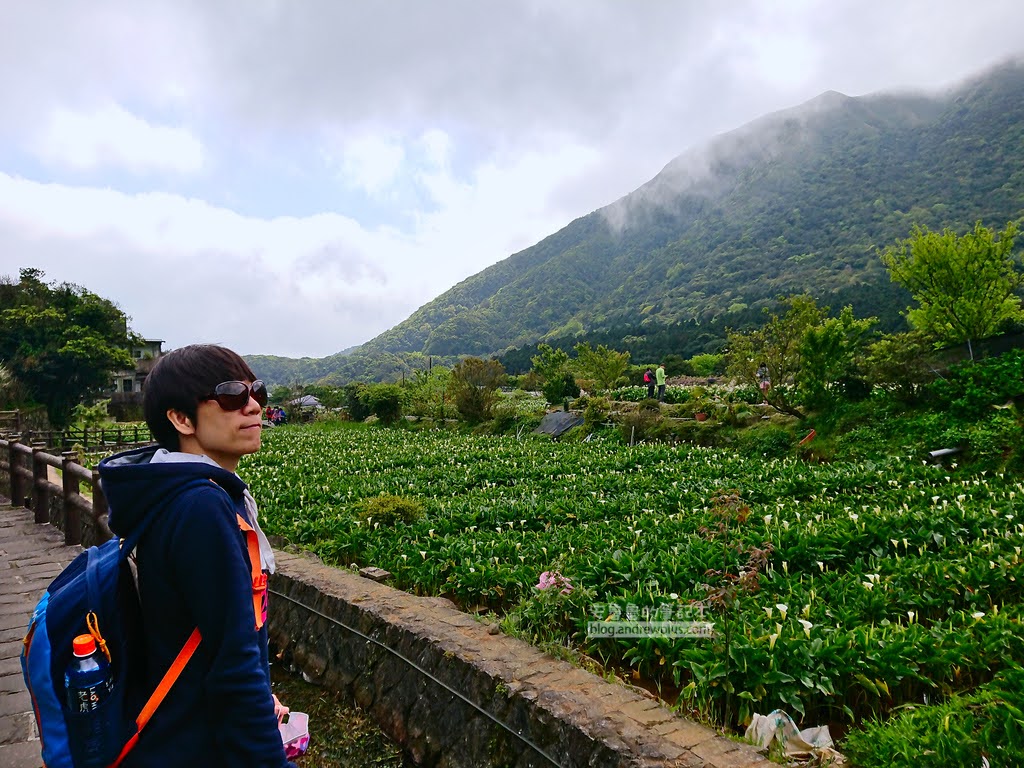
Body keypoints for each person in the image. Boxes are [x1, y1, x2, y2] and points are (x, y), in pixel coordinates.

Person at [98, 345, 295, 768]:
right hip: (199, 744)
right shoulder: (201, 507)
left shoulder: (175, 491)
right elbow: (234, 667)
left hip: (180, 729)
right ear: (181, 418)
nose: (253, 405)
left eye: (255, 391)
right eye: (230, 396)